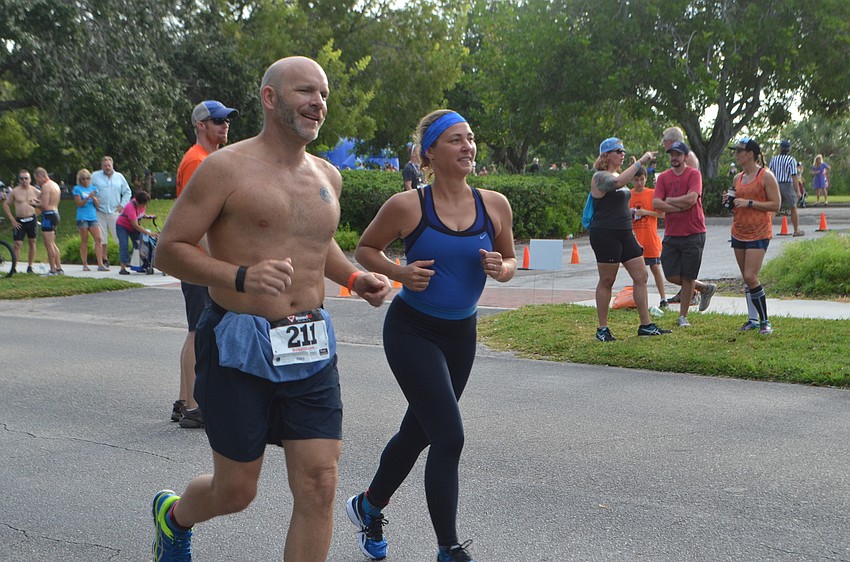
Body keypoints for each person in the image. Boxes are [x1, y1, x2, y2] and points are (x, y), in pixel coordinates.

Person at [150, 56, 391, 562]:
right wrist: (240, 276)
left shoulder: (327, 175)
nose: (318, 103)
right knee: (236, 490)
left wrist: (352, 276)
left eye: (323, 94)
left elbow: (316, 242)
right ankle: (174, 517)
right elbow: (169, 248)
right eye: (305, 91)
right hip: (239, 341)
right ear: (270, 98)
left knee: (321, 483)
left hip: (310, 342)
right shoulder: (225, 168)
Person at [346, 109, 516, 562]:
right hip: (412, 330)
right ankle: (448, 548)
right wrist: (400, 272)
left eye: (471, 138)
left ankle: (368, 506)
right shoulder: (408, 206)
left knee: (418, 432)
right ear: (431, 153)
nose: (468, 147)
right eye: (457, 140)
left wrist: (503, 268)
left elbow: (511, 261)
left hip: (462, 334)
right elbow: (365, 249)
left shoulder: (494, 204)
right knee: (449, 436)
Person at [171, 99, 239, 429]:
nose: (224, 125)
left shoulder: (205, 159)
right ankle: (194, 406)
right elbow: (198, 222)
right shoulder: (198, 162)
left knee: (195, 329)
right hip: (198, 261)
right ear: (201, 125)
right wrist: (213, 261)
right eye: (217, 121)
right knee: (198, 331)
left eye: (226, 120)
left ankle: (185, 400)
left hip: (198, 259)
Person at [586, 137, 669, 342]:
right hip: (605, 234)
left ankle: (645, 325)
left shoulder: (617, 174)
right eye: (618, 151)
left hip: (625, 234)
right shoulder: (600, 177)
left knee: (641, 276)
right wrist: (641, 161)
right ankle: (602, 329)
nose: (622, 154)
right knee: (607, 280)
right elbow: (619, 183)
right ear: (606, 155)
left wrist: (632, 235)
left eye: (623, 151)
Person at [652, 141, 716, 327]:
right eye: (671, 154)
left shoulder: (694, 174)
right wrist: (679, 206)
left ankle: (683, 317)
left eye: (678, 155)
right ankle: (704, 288)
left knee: (688, 276)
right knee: (670, 274)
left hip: (693, 232)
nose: (674, 158)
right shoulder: (664, 177)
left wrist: (670, 201)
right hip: (672, 233)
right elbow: (656, 203)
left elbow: (692, 199)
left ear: (685, 157)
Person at [724, 138, 781, 334]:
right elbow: (735, 205)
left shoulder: (766, 176)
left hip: (759, 232)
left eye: (740, 151)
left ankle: (765, 321)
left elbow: (776, 205)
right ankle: (752, 320)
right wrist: (729, 202)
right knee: (745, 278)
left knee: (751, 276)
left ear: (750, 154)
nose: (736, 154)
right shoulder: (737, 178)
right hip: (739, 231)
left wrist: (749, 203)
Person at [629, 166, 667, 308]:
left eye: (642, 179)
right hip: (635, 239)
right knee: (637, 273)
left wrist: (646, 212)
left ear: (646, 179)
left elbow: (662, 214)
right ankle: (640, 301)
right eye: (636, 180)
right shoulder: (629, 195)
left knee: (655, 267)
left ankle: (663, 298)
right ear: (632, 180)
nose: (639, 183)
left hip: (650, 238)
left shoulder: (652, 193)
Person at [91, 155, 132, 268]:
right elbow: (88, 189)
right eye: (105, 166)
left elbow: (127, 192)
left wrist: (122, 205)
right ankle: (104, 259)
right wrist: (93, 202)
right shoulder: (95, 176)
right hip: (99, 211)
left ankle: (123, 260)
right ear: (101, 166)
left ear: (112, 165)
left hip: (114, 211)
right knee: (101, 237)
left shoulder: (119, 177)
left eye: (109, 165)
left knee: (119, 236)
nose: (107, 168)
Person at [2, 170, 40, 273]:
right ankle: (14, 267)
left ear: (30, 179)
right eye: (21, 178)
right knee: (17, 244)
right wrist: (12, 220)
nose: (24, 180)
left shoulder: (35, 191)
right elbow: (5, 205)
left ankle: (30, 266)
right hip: (19, 222)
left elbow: (44, 203)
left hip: (32, 220)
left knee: (32, 242)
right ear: (19, 180)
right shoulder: (15, 191)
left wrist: (37, 212)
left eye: (26, 178)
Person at [72, 169, 107, 271]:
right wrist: (87, 198)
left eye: (87, 178)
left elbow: (97, 205)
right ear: (80, 180)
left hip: (92, 216)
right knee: (84, 240)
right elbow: (79, 204)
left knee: (98, 239)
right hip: (82, 217)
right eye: (83, 179)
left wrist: (94, 198)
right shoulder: (77, 189)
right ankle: (85, 264)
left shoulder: (93, 188)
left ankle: (100, 264)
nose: (85, 181)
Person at [768, 140, 803, 236]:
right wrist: (798, 190)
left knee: (774, 208)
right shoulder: (791, 160)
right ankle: (796, 230)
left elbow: (769, 173)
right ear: (789, 149)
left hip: (775, 184)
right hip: (787, 184)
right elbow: (794, 176)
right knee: (793, 206)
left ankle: (767, 230)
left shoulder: (774, 159)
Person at [115, 191, 156, 274]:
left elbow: (140, 214)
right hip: (122, 226)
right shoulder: (130, 207)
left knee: (140, 244)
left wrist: (147, 216)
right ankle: (123, 268)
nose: (144, 206)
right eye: (143, 204)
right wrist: (149, 233)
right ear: (138, 202)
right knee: (124, 245)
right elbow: (135, 225)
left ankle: (139, 265)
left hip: (132, 227)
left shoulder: (142, 204)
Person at [33, 167, 64, 275]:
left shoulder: (46, 186)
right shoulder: (55, 185)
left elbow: (45, 206)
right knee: (53, 243)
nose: (37, 182)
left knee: (48, 244)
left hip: (48, 215)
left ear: (40, 176)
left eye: (37, 180)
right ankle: (59, 268)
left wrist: (33, 204)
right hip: (55, 213)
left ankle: (53, 269)